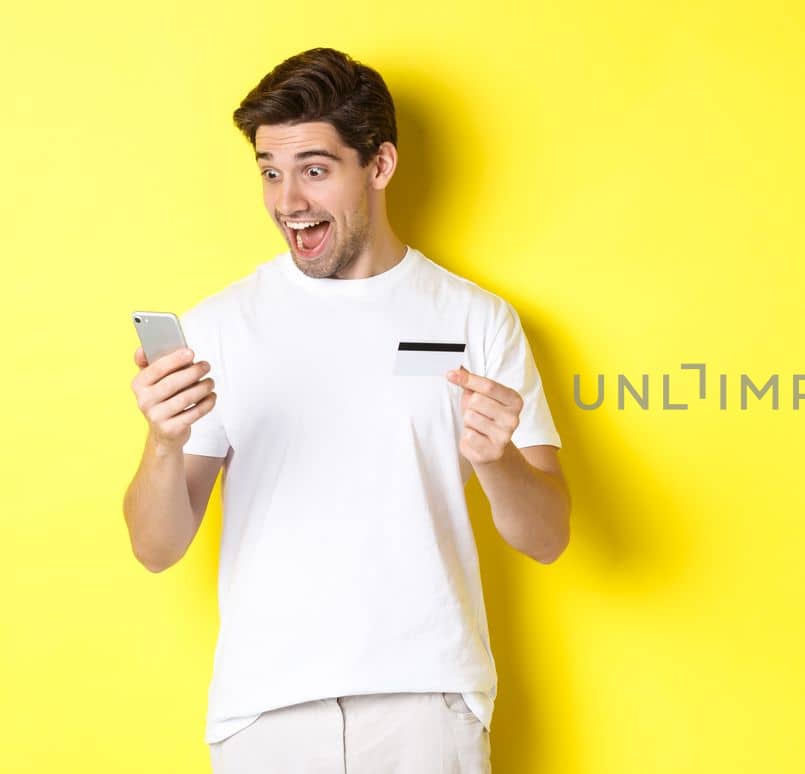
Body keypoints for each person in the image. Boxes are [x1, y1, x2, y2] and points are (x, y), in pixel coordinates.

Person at [120, 47, 571, 773]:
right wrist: (164, 444)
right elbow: (156, 547)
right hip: (266, 710)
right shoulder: (221, 327)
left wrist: (498, 460)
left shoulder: (477, 320)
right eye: (270, 170)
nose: (288, 200)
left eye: (315, 169)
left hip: (427, 702)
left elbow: (547, 536)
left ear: (380, 166)